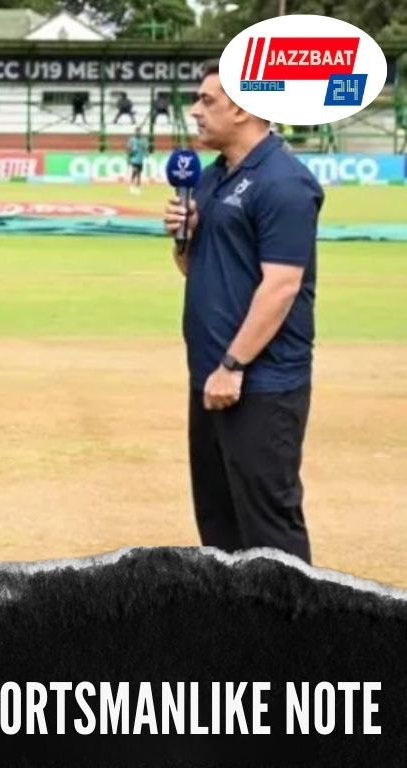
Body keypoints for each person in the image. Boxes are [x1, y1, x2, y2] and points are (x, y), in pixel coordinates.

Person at [163, 60, 322, 563]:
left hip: (260, 383)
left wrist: (233, 365)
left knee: (269, 528)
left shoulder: (283, 182)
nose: (195, 110)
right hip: (210, 377)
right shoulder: (212, 178)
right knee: (219, 522)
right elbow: (193, 268)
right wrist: (184, 236)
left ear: (243, 108)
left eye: (207, 100)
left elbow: (282, 285)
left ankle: (294, 616)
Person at [126, 126, 147, 194]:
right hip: (134, 159)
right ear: (135, 132)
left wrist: (146, 154)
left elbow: (144, 148)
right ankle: (131, 186)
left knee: (139, 174)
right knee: (135, 171)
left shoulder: (143, 140)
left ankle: (138, 187)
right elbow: (128, 149)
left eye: (139, 131)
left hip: (140, 159)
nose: (138, 132)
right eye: (137, 131)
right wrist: (131, 152)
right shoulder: (132, 140)